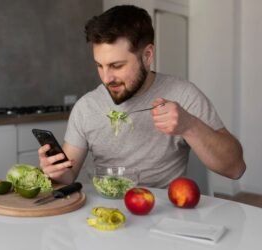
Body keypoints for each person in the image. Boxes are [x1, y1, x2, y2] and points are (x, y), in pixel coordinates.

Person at [38, 5, 246, 188]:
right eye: (99, 66)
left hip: (163, 214)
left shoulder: (183, 94)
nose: (106, 78)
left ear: (147, 56)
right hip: (108, 213)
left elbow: (235, 168)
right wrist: (55, 170)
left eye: (117, 66)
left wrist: (190, 125)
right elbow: (68, 175)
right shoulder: (86, 107)